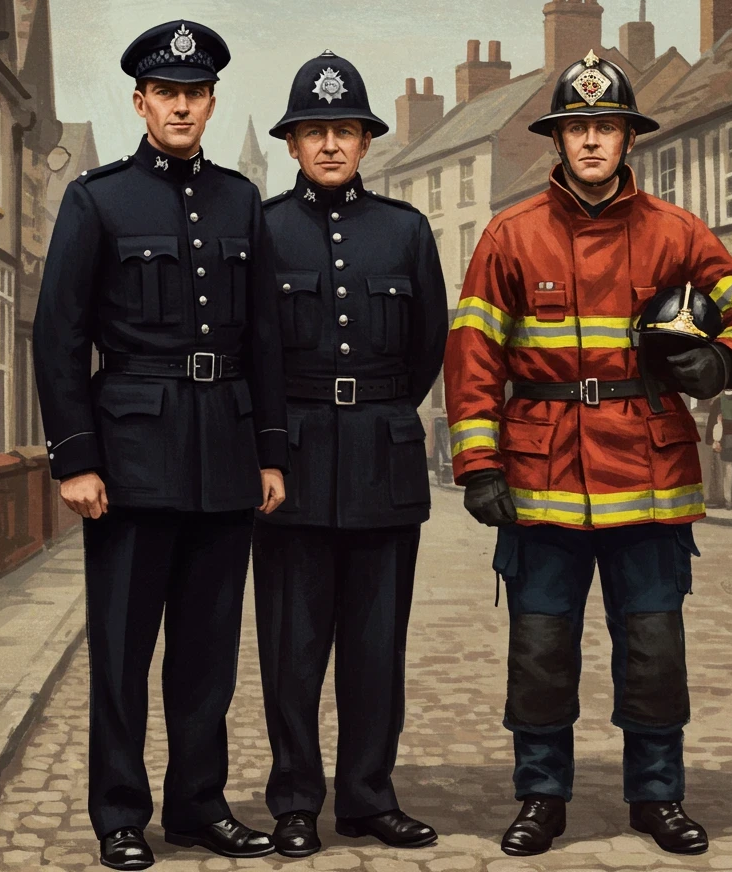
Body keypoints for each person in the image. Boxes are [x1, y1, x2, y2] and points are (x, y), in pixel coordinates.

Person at [443, 51, 732, 857]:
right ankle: (540, 798)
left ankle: (657, 799)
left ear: (629, 137)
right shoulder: (510, 235)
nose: (591, 140)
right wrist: (480, 463)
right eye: (577, 128)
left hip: (650, 477)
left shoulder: (677, 231)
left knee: (654, 649)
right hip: (542, 478)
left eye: (605, 126)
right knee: (540, 648)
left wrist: (722, 362)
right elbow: (472, 355)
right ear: (557, 141)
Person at [33, 21, 285, 870]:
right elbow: (59, 336)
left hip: (224, 452)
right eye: (166, 94)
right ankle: (117, 815)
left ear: (211, 102)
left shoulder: (240, 201)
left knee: (209, 656)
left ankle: (197, 807)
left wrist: (271, 453)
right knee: (122, 651)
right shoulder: (97, 199)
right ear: (140, 102)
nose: (182, 106)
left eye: (196, 93)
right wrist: (76, 456)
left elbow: (265, 340)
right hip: (131, 457)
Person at [252, 50, 449, 859]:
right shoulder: (261, 229)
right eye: (314, 132)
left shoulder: (404, 230)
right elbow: (248, 347)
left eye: (344, 130)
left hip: (380, 458)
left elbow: (427, 343)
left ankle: (369, 797)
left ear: (366, 142)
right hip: (290, 461)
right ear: (293, 144)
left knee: (375, 648)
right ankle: (296, 801)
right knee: (292, 649)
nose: (330, 145)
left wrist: (380, 412)